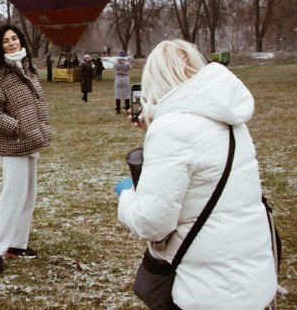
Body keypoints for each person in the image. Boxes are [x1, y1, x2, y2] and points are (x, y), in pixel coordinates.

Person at [116, 40, 277, 309]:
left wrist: (126, 195)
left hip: (210, 291)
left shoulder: (173, 129)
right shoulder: (228, 118)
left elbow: (152, 222)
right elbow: (203, 157)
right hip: (251, 277)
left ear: (154, 78)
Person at [0, 24, 52, 275]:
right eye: (6, 41)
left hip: (32, 140)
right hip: (14, 143)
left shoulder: (27, 68)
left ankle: (16, 244)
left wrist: (39, 129)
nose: (12, 43)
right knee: (12, 197)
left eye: (15, 38)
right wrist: (19, 128)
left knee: (28, 195)